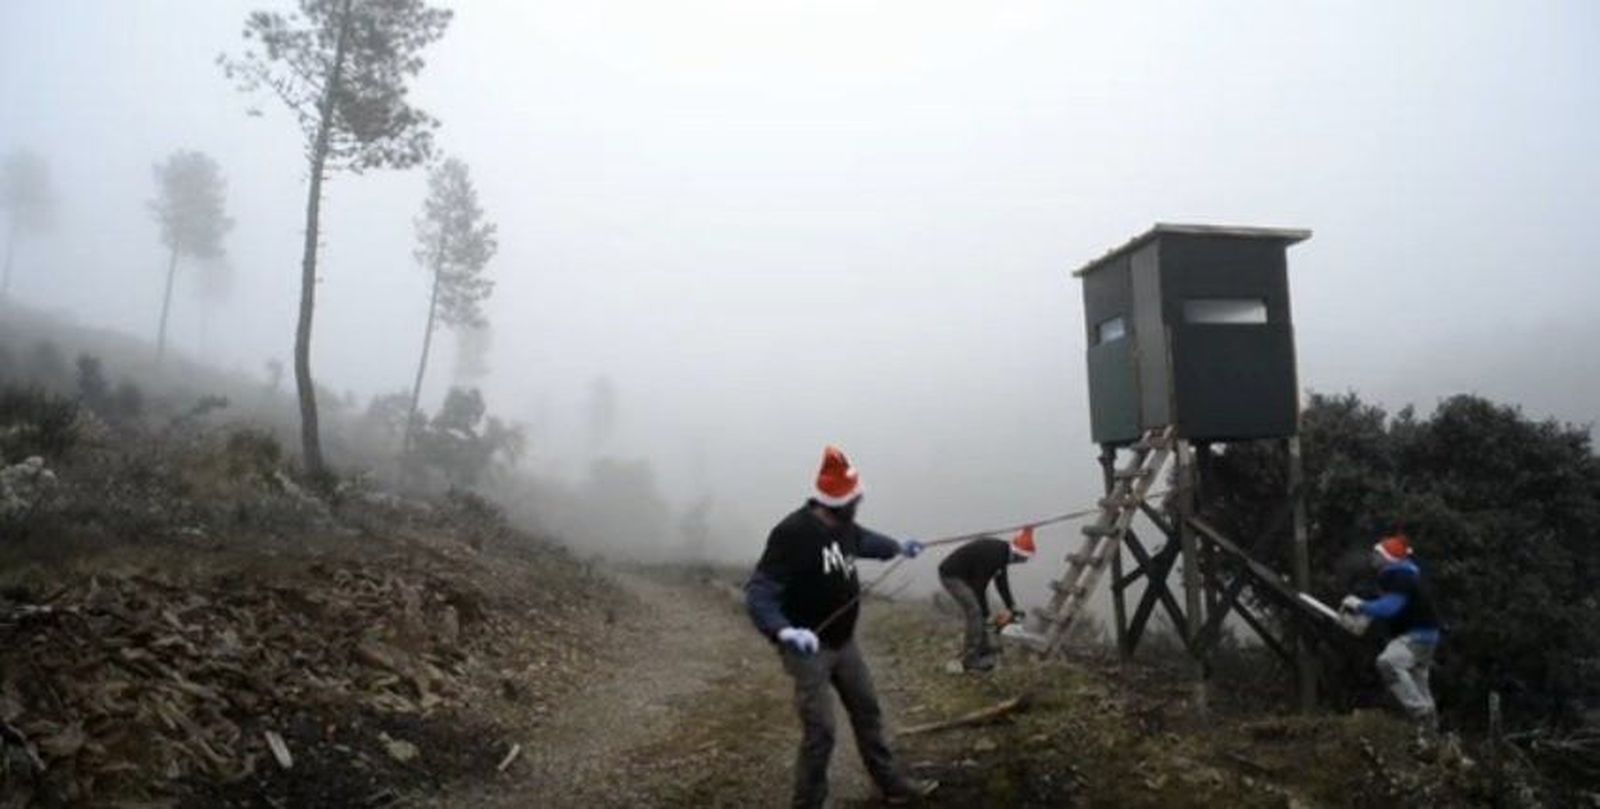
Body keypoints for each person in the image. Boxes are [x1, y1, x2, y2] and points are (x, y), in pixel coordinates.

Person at [745, 446, 938, 808]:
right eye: (855, 498)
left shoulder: (846, 526)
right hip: (808, 648)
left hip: (844, 643)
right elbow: (760, 591)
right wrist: (785, 632)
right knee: (821, 732)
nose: (859, 503)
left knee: (868, 711)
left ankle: (891, 785)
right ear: (837, 501)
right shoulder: (793, 533)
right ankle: (808, 803)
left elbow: (865, 541)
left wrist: (897, 547)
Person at [1340, 533, 1443, 732]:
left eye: (1377, 554)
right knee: (1417, 680)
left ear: (1388, 557)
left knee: (1388, 662)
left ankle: (1420, 713)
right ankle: (1431, 734)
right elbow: (1396, 607)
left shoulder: (1398, 575)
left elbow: (1390, 607)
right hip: (1427, 635)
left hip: (1416, 635)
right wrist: (1368, 614)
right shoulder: (1409, 574)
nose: (1372, 557)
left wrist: (1361, 606)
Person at [937, 528, 1035, 672]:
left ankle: (983, 648)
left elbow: (1001, 582)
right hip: (952, 575)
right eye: (1022, 560)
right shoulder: (995, 555)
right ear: (1017, 554)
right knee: (975, 612)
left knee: (980, 612)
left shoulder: (1002, 552)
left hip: (967, 576)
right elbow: (979, 586)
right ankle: (971, 658)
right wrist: (986, 612)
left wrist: (1011, 606)